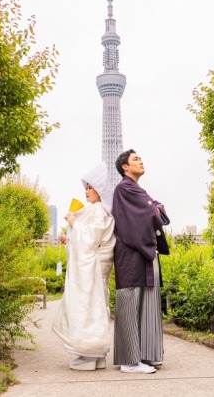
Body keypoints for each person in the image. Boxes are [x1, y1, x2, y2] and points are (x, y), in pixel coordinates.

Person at [52, 163, 116, 371]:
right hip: (97, 267)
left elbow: (92, 238)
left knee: (88, 307)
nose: (86, 191)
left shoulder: (99, 211)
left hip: (93, 268)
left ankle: (89, 355)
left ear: (100, 189)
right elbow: (90, 239)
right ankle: (97, 355)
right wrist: (70, 240)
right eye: (86, 188)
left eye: (90, 187)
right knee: (96, 307)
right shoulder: (101, 210)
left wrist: (74, 224)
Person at [111, 149, 167, 374]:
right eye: (135, 159)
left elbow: (154, 209)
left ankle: (144, 355)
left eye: (141, 158)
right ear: (125, 167)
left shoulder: (135, 189)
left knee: (144, 306)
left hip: (140, 253)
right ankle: (129, 361)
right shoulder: (124, 188)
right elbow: (151, 210)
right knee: (129, 303)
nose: (141, 161)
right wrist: (154, 208)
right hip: (131, 256)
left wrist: (154, 208)